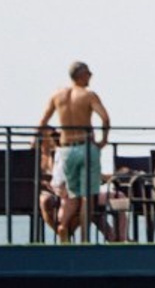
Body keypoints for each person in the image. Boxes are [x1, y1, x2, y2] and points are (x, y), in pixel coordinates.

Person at [36, 61, 110, 242]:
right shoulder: (88, 95)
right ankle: (84, 238)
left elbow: (42, 122)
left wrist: (36, 140)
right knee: (87, 197)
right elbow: (105, 118)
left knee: (72, 195)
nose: (91, 76)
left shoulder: (57, 95)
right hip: (85, 147)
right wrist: (103, 141)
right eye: (88, 73)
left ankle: (63, 225)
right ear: (81, 75)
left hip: (66, 149)